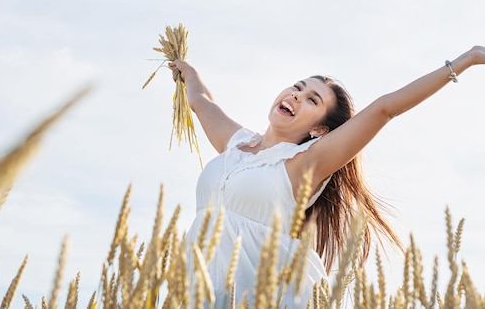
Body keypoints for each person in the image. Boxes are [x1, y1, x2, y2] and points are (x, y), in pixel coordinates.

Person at [171, 46, 485, 308]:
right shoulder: (235, 143)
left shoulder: (307, 163)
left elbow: (384, 109)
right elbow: (202, 102)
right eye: (298, 87)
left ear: (319, 130)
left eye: (312, 100)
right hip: (196, 290)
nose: (296, 96)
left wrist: (467, 60)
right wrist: (187, 70)